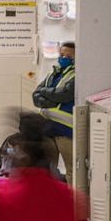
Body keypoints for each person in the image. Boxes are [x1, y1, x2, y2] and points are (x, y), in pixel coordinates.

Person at [32, 41, 76, 181]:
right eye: (62, 54)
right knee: (48, 170)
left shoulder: (77, 75)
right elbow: (36, 95)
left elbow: (64, 95)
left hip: (65, 131)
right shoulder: (53, 73)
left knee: (72, 171)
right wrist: (53, 97)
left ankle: (71, 202)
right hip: (47, 128)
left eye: (69, 56)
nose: (64, 58)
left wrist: (47, 94)